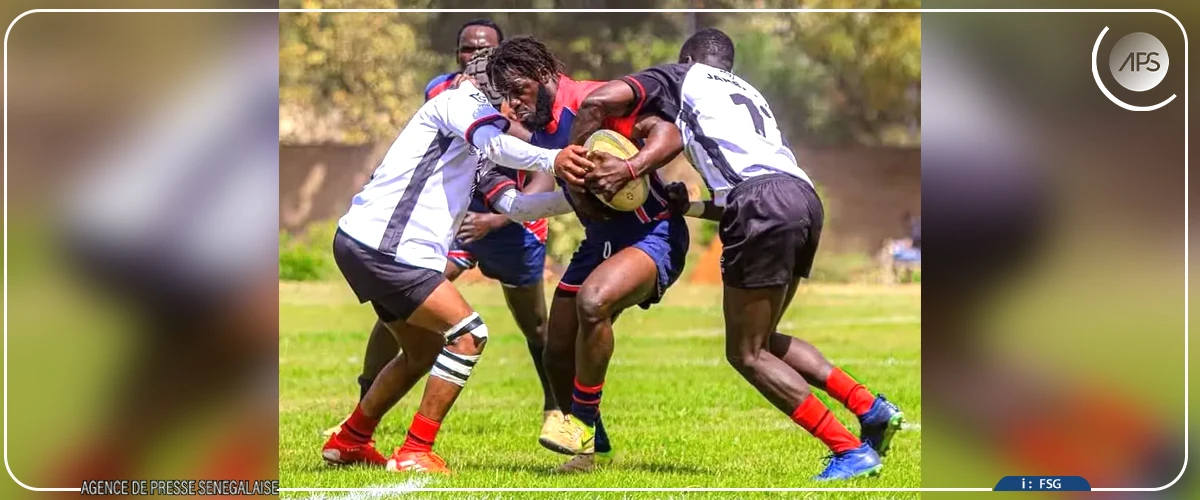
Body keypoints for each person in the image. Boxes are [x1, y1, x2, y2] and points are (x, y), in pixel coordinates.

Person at [560, 28, 903, 481]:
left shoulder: (683, 76)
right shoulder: (748, 94)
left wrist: (587, 167)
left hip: (761, 205)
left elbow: (597, 102)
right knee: (765, 337)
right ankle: (869, 407)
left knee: (746, 353)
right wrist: (693, 206)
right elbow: (750, 187)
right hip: (801, 197)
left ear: (686, 59)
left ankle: (848, 450)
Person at [320, 71, 588, 474]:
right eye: (505, 89)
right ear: (471, 80)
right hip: (389, 248)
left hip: (368, 246)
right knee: (469, 335)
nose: (514, 102)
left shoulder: (476, 144)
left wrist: (580, 195)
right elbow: (499, 143)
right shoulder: (457, 102)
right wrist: (555, 158)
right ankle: (415, 451)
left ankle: (351, 440)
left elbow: (516, 206)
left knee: (422, 351)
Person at [486, 36, 690, 473]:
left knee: (593, 302)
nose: (514, 104)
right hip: (600, 240)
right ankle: (591, 450)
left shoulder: (592, 101)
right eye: (506, 96)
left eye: (519, 90)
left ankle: (578, 425)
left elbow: (668, 132)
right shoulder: (541, 125)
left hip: (653, 231)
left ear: (544, 76)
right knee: (556, 349)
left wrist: (632, 168)